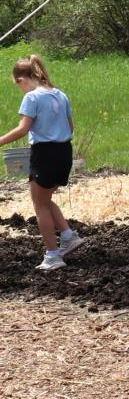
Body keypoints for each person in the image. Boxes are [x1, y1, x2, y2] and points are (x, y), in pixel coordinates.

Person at [0, 56, 83, 271]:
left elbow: (23, 128)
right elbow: (70, 127)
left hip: (44, 153)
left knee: (39, 205)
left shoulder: (32, 97)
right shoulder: (60, 94)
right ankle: (67, 236)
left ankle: (53, 256)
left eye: (17, 85)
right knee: (45, 199)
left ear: (21, 80)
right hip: (64, 152)